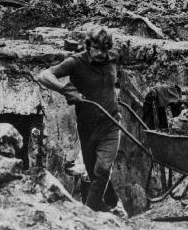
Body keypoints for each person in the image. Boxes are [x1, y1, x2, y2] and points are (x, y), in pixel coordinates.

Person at [36, 25, 123, 214]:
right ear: (88, 45)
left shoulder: (113, 57)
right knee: (94, 173)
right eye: (96, 48)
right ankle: (113, 204)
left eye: (104, 49)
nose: (100, 54)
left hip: (111, 124)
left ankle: (87, 214)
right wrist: (65, 89)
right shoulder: (76, 62)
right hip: (88, 128)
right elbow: (43, 76)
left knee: (103, 169)